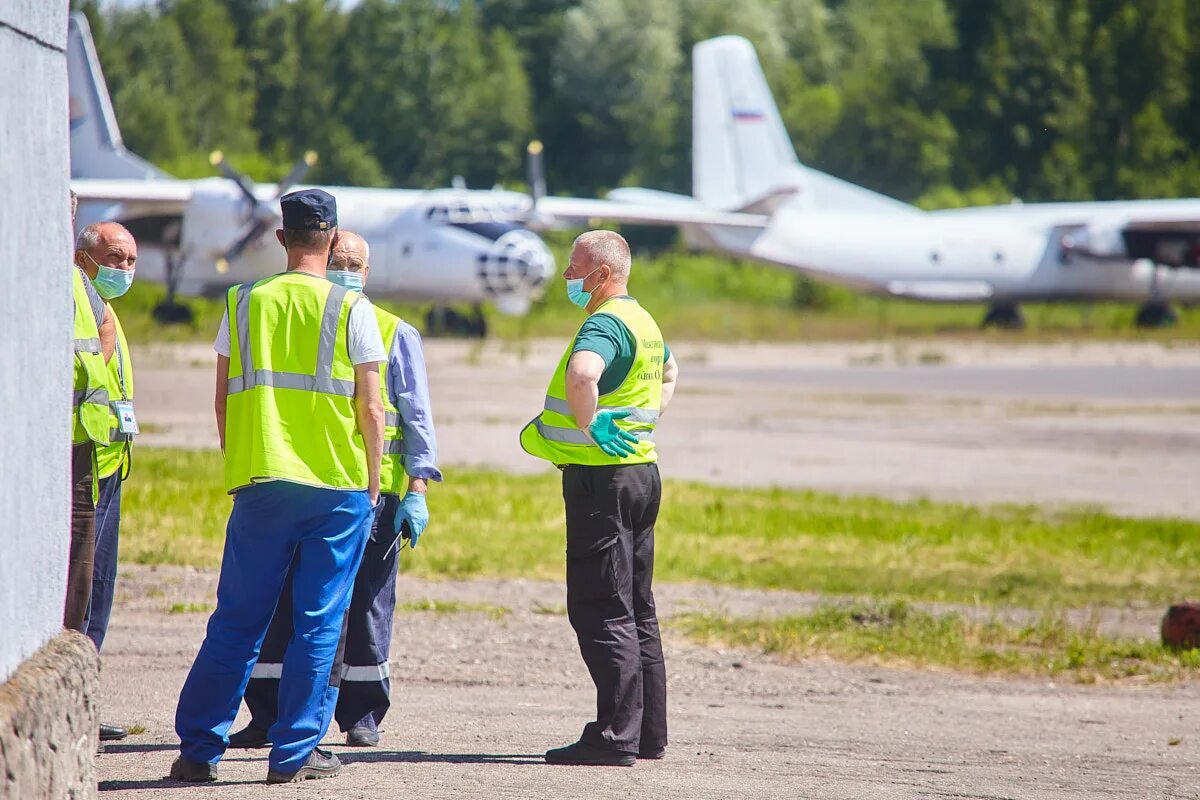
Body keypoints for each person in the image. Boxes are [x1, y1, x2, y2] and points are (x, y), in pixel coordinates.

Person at [170, 190, 386, 784]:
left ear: (280, 238)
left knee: (237, 621)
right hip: (337, 486)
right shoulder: (352, 309)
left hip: (262, 478)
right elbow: (372, 406)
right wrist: (374, 478)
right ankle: (293, 756)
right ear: (333, 237)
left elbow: (221, 400)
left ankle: (198, 751)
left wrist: (239, 457)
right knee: (319, 622)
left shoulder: (241, 303)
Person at [228, 230, 441, 749]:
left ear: (366, 273)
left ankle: (360, 712)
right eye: (338, 258)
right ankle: (269, 711)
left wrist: (416, 488)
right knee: (286, 603)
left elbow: (416, 420)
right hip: (315, 484)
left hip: (378, 494)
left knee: (366, 605)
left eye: (354, 262)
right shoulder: (302, 318)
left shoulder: (393, 331)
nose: (345, 268)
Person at [519, 230, 679, 767]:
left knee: (601, 607)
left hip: (601, 480)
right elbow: (671, 372)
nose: (567, 277)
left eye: (575, 268)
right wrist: (642, 419)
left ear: (602, 275)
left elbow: (583, 372)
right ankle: (647, 733)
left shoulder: (606, 322)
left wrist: (591, 424)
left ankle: (614, 737)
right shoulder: (644, 321)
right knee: (637, 606)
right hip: (641, 472)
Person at [73, 221, 140, 744]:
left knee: (99, 587)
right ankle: (76, 704)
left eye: (131, 262)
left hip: (110, 459)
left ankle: (85, 699)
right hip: (84, 460)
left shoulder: (102, 306)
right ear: (85, 254)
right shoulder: (80, 300)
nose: (123, 269)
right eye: (115, 258)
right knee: (82, 587)